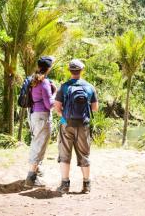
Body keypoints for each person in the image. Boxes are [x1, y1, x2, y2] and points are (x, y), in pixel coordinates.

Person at [55, 59, 98, 194]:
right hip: (83, 125)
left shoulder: (64, 87)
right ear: (81, 71)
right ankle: (86, 185)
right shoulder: (90, 87)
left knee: (64, 154)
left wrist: (65, 116)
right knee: (84, 154)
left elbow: (57, 108)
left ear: (70, 71)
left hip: (66, 124)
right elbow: (95, 108)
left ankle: (65, 184)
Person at [25, 56, 56, 187]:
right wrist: (56, 92)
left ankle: (35, 172)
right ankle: (31, 178)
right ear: (49, 68)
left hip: (33, 114)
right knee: (39, 144)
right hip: (42, 115)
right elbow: (49, 105)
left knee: (36, 142)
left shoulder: (33, 79)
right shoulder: (44, 82)